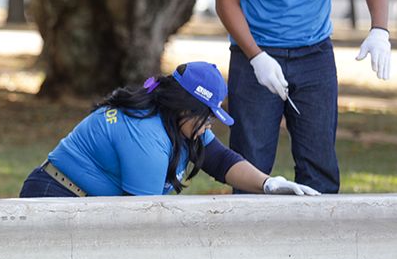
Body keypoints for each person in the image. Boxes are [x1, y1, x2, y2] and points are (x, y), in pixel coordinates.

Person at [215, 0, 391, 194]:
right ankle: (247, 240)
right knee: (250, 163)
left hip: (315, 55)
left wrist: (379, 30)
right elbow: (226, 1)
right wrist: (256, 57)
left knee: (319, 162)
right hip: (255, 55)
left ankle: (320, 241)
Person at [18, 61, 319, 197]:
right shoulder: (146, 134)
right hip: (54, 194)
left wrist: (269, 184)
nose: (209, 126)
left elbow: (221, 160)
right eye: (207, 117)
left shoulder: (179, 121)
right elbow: (144, 220)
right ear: (185, 108)